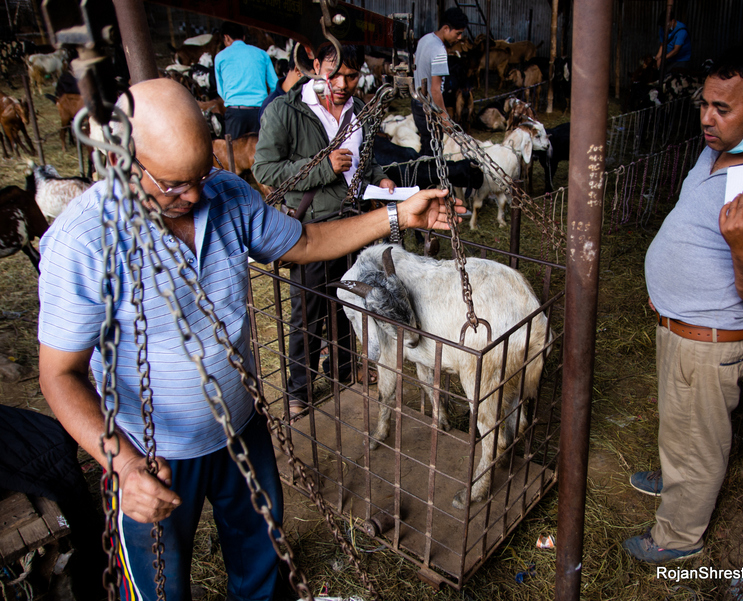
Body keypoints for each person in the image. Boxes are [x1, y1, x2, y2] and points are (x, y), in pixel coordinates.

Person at [37, 78, 463, 601]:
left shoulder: (227, 194)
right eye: (173, 184)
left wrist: (396, 215)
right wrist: (123, 464)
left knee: (261, 566)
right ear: (123, 159)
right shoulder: (82, 242)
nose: (194, 195)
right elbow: (59, 374)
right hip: (151, 453)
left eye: (200, 174)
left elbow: (304, 240)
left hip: (240, 427)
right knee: (158, 586)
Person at [625, 46, 743, 564]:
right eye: (704, 104)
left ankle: (677, 539)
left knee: (701, 443)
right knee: (679, 420)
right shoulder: (720, 145)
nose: (707, 119)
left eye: (722, 109)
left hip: (710, 341)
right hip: (677, 323)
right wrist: (667, 285)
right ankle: (673, 478)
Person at [253, 44, 395, 417]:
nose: (344, 84)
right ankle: (299, 390)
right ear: (316, 66)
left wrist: (380, 178)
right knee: (307, 312)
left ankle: (344, 370)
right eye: (336, 74)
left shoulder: (359, 111)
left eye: (352, 76)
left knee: (349, 300)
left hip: (354, 223)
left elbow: (365, 160)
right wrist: (322, 167)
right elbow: (264, 170)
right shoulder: (285, 111)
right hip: (311, 229)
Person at [411, 7, 468, 154]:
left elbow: (415, 66)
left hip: (417, 103)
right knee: (433, 150)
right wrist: (444, 117)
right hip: (429, 109)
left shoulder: (425, 39)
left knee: (426, 144)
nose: (460, 38)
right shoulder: (439, 51)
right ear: (446, 28)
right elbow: (435, 89)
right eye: (458, 33)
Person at [214, 21, 278, 139]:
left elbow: (221, 90)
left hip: (235, 113)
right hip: (260, 112)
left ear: (226, 38)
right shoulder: (262, 54)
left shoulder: (220, 57)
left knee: (235, 154)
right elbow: (274, 85)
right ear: (243, 37)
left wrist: (234, 99)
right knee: (263, 153)